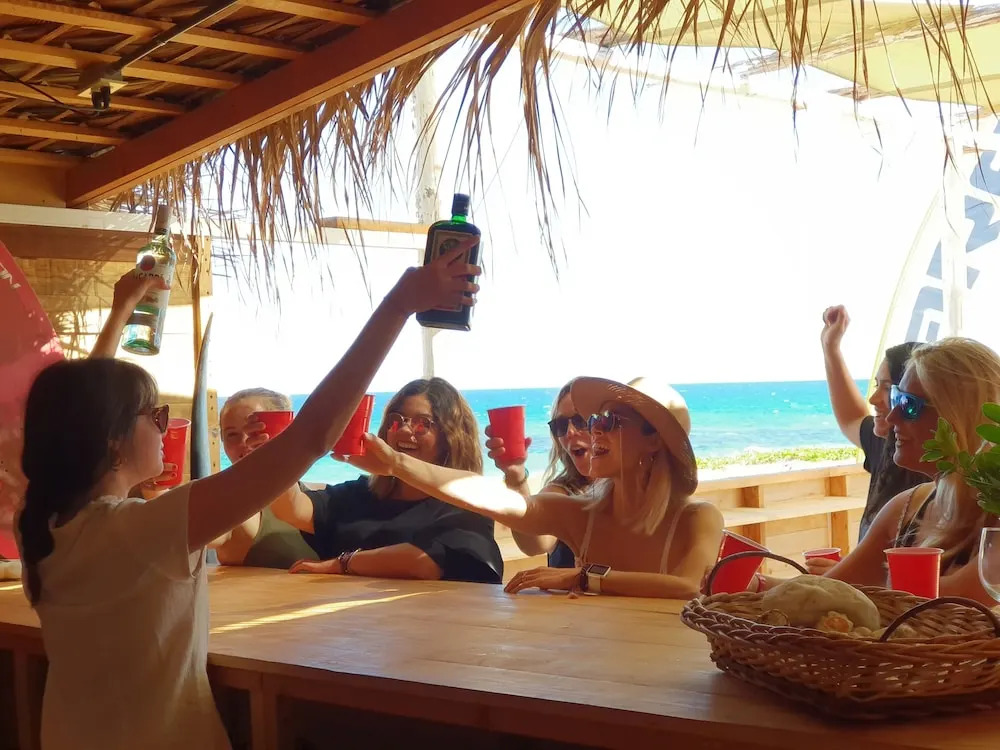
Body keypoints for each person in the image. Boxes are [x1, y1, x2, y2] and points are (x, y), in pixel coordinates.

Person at [15, 244, 479, 750]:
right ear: (112, 441)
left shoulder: (43, 523)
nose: (163, 426)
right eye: (155, 416)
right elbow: (312, 435)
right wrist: (396, 306)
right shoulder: (144, 529)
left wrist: (122, 310)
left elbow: (79, 411)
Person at [345, 376, 723, 598]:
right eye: (594, 420)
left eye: (610, 421)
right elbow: (494, 499)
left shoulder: (697, 517)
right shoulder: (583, 513)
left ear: (654, 439)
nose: (594, 430)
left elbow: (686, 586)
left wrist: (583, 577)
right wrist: (397, 464)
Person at [772, 337, 1000, 604]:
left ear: (959, 416)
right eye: (896, 398)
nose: (892, 418)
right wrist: (756, 584)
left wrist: (871, 585)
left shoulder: (993, 513)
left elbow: (960, 598)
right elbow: (824, 591)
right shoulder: (906, 508)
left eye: (909, 405)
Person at [271, 378, 503, 584]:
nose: (404, 430)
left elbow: (423, 561)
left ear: (451, 438)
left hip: (435, 617)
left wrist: (343, 563)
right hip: (350, 617)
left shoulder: (467, 503)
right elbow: (292, 509)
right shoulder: (361, 493)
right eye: (396, 420)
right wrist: (274, 450)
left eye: (422, 423)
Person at [819, 305, 925, 552]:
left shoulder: (951, 483)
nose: (874, 398)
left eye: (887, 388)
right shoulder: (889, 447)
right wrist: (831, 347)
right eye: (877, 385)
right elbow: (852, 418)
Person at [486, 381, 593, 568]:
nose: (569, 432)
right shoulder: (562, 493)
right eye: (560, 425)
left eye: (580, 421)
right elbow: (534, 543)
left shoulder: (634, 492)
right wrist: (515, 476)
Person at [212, 388, 320, 568]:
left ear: (286, 430)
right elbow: (199, 532)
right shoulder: (232, 508)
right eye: (232, 434)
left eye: (255, 431)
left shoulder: (321, 496)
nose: (244, 443)